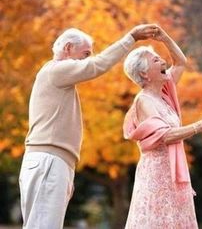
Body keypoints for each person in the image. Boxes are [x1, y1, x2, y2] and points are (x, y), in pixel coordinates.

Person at [18, 24, 159, 229]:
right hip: (49, 161)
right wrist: (131, 38)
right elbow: (98, 65)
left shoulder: (58, 79)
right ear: (67, 48)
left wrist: (66, 171)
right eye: (84, 54)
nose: (87, 60)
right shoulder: (56, 70)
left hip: (52, 162)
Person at [123, 25, 202, 228]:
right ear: (145, 75)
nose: (163, 61)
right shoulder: (144, 101)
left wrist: (164, 37)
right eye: (156, 60)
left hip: (171, 174)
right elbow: (165, 136)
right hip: (157, 175)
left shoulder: (164, 93)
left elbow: (181, 62)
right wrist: (201, 124)